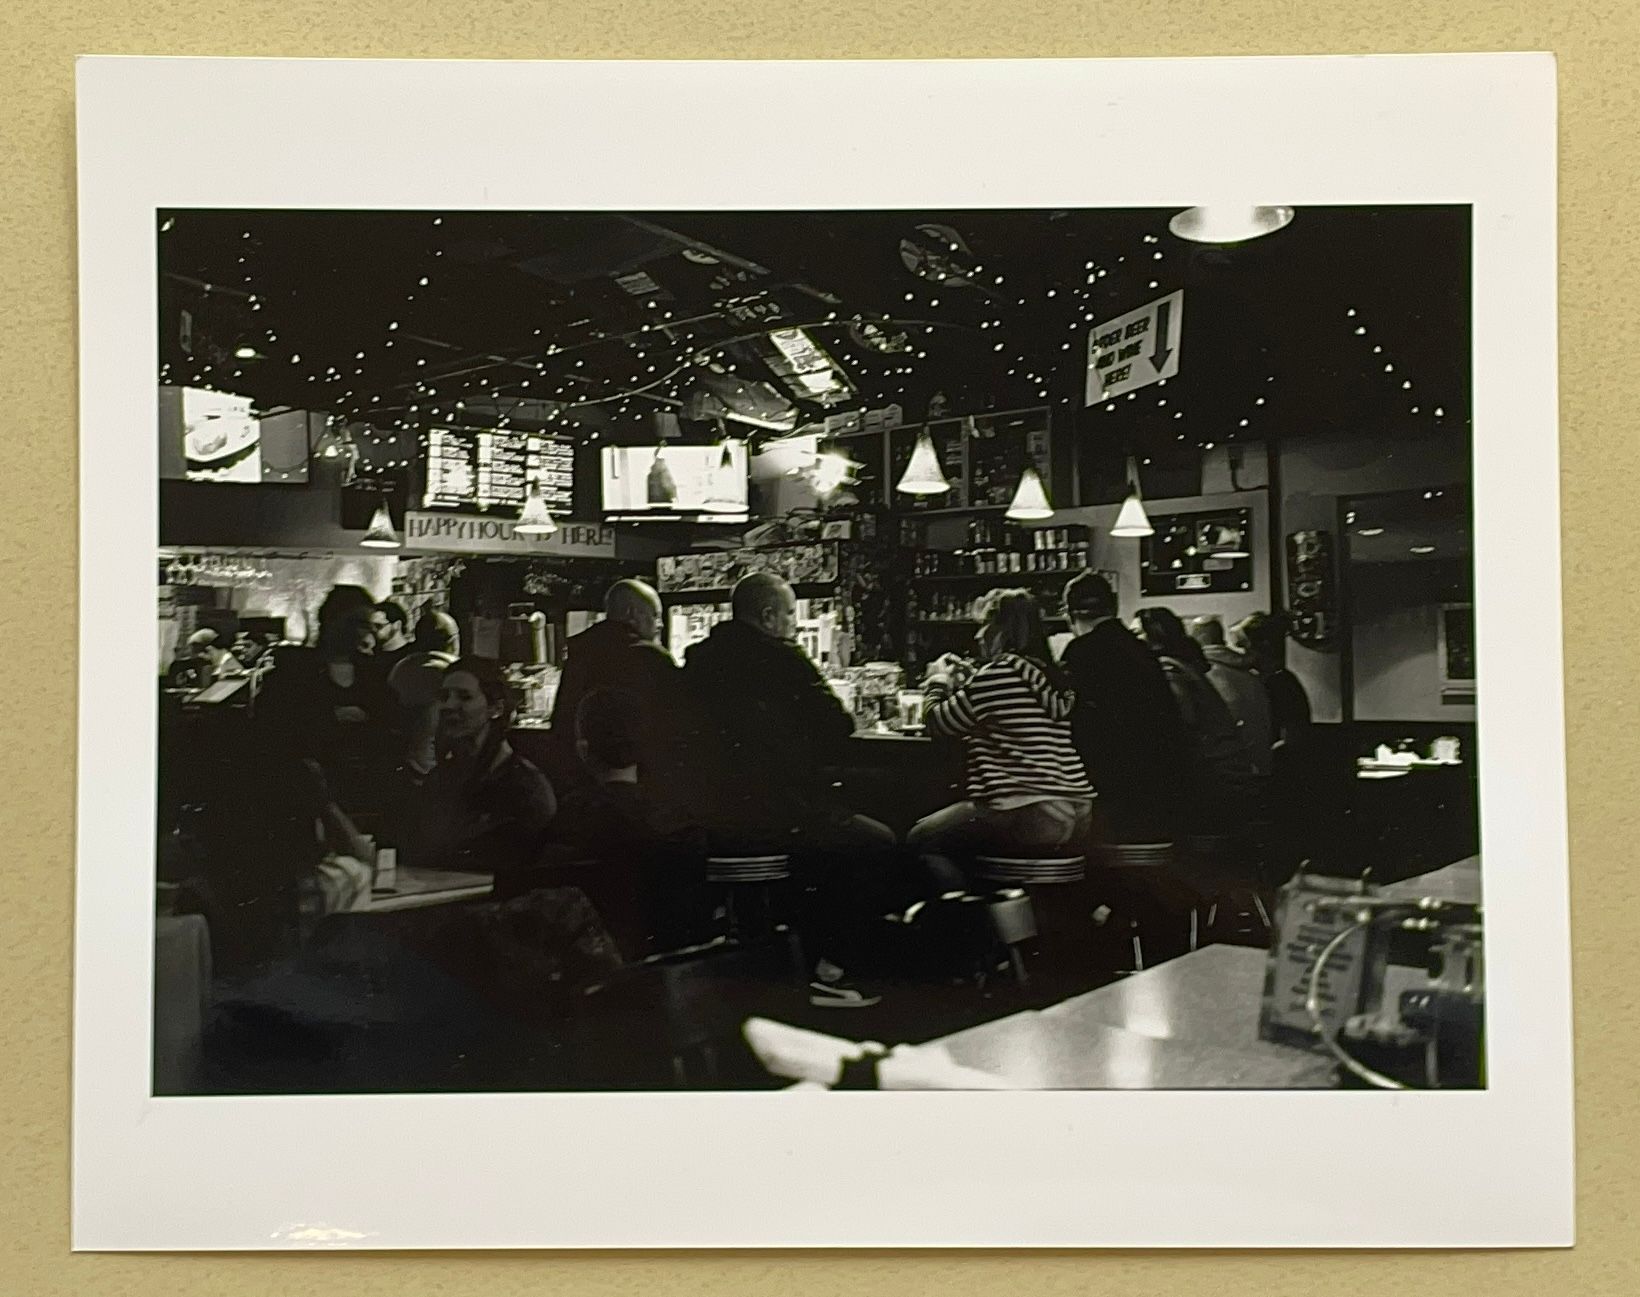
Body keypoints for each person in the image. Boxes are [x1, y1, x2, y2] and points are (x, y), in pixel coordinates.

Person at [683, 572, 897, 1007]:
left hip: (711, 820)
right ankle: (828, 971)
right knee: (877, 843)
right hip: (779, 813)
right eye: (789, 614)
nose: (794, 625)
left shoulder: (697, 659)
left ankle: (769, 962)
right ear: (768, 617)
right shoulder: (780, 659)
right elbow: (838, 726)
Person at [909, 589, 1094, 885]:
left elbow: (937, 722)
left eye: (983, 624)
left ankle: (979, 923)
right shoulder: (1050, 674)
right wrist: (974, 679)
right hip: (1075, 810)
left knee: (920, 841)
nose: (978, 635)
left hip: (1025, 811)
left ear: (1000, 630)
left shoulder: (999, 673)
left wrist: (937, 681)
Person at [520, 688, 708, 957]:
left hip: (594, 966)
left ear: (583, 750)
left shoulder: (573, 816)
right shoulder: (677, 817)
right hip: (669, 968)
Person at [401, 655, 558, 885]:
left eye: (464, 697)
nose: (449, 706)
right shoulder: (441, 779)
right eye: (444, 697)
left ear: (496, 708)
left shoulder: (523, 785)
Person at [1057, 572, 1190, 844]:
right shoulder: (1143, 650)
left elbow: (1074, 722)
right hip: (1163, 787)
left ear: (1069, 614)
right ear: (1113, 607)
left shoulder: (1082, 651)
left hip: (1114, 791)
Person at [255, 585, 399, 819]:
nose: (364, 632)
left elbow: (390, 725)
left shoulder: (374, 672)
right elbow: (273, 730)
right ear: (332, 621)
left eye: (368, 624)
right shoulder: (295, 671)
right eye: (356, 622)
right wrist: (332, 718)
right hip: (306, 793)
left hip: (365, 791)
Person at [1133, 607, 1265, 837]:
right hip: (1234, 778)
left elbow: (1181, 726)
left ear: (1154, 637)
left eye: (1136, 634)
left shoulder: (1169, 669)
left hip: (1214, 783)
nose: (1130, 641)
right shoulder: (1187, 666)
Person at [547, 579, 685, 794]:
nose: (661, 624)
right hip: (636, 782)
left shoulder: (580, 652)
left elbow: (563, 718)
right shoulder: (650, 658)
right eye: (655, 615)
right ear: (632, 613)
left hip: (581, 781)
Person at [1187, 616, 1275, 779]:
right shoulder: (1251, 675)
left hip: (1229, 770)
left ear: (1201, 639)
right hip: (1261, 764)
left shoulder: (1204, 675)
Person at [387, 609, 461, 779]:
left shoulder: (399, 670)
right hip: (440, 768)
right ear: (453, 641)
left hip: (402, 766)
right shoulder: (455, 673)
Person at [171, 628, 248, 689]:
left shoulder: (234, 669)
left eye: (198, 654)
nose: (200, 660)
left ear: (209, 649)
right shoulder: (208, 669)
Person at [368, 600, 415, 672]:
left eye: (378, 626)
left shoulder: (413, 657)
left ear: (397, 625)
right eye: (369, 626)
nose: (373, 630)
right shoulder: (369, 656)